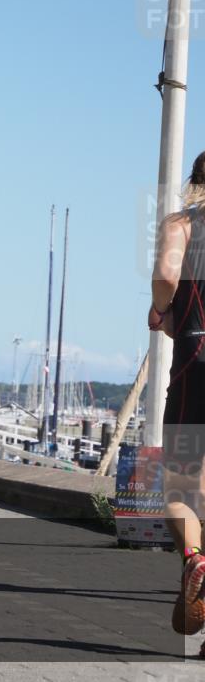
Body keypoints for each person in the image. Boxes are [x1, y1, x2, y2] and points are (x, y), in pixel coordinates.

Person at [149, 151, 205, 639]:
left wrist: (162, 311)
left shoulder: (181, 224)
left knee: (180, 488)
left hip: (195, 362)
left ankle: (194, 557)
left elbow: (168, 279)